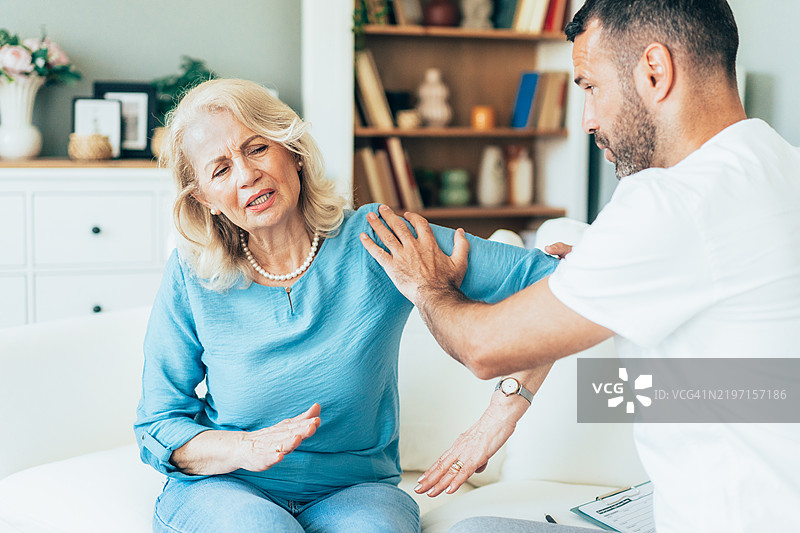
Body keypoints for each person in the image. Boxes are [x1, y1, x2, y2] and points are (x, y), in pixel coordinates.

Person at [360, 0, 800, 532]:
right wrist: (508, 408)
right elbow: (750, 389)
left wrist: (429, 287)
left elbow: (483, 349)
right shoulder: (779, 166)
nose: (589, 120)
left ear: (655, 72)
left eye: (590, 87)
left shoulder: (673, 202)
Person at [133, 78, 561, 532]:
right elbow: (159, 423)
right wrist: (244, 447)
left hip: (355, 493)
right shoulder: (192, 276)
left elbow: (555, 283)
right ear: (206, 200)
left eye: (256, 148)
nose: (245, 175)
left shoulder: (379, 240)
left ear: (291, 151)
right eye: (220, 170)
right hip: (226, 488)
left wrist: (496, 421)